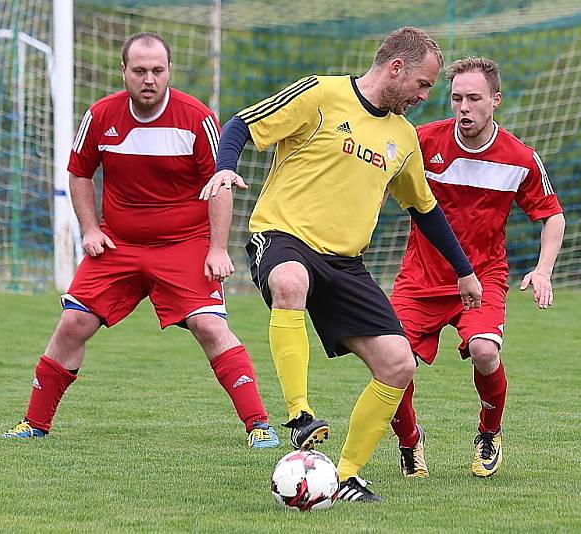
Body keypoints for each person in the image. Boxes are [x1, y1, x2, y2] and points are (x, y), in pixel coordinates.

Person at [199, 27, 482, 502]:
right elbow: (240, 125)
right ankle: (299, 415)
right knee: (290, 280)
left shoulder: (403, 137)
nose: (424, 96)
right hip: (283, 237)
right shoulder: (321, 93)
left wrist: (464, 270)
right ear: (397, 68)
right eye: (423, 84)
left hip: (347, 263)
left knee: (398, 364)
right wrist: (226, 166)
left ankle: (346, 475)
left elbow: (425, 210)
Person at [1, 32, 280, 449]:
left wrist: (217, 249)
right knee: (72, 323)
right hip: (119, 245)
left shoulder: (196, 118)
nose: (149, 79)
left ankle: (259, 425)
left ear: (169, 71)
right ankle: (34, 424)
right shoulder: (99, 116)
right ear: (123, 72)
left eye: (157, 70)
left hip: (184, 244)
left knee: (210, 325)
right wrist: (90, 228)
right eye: (139, 71)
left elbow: (220, 183)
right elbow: (79, 172)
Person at [389, 56, 565, 478]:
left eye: (473, 98)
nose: (463, 107)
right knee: (390, 363)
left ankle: (489, 433)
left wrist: (543, 271)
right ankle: (410, 440)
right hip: (421, 277)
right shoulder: (422, 141)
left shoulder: (519, 158)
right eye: (455, 98)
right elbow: (378, 182)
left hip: (484, 276)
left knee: (485, 351)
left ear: (495, 101)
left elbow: (553, 216)